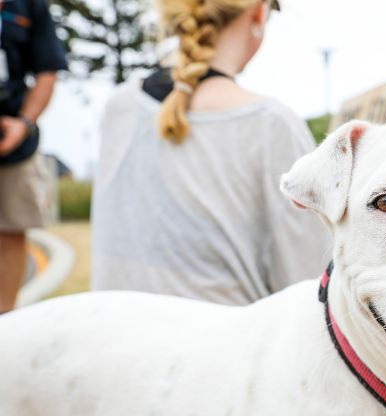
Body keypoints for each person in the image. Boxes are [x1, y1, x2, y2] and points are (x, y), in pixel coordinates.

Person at [92, 0, 329, 305]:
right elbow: (309, 290)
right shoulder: (270, 125)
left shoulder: (119, 108)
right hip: (225, 349)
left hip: (111, 342)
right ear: (257, 11)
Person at [0, 0, 67, 314]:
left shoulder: (30, 6)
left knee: (13, 228)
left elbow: (47, 70)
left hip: (12, 138)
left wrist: (24, 124)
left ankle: (5, 322)